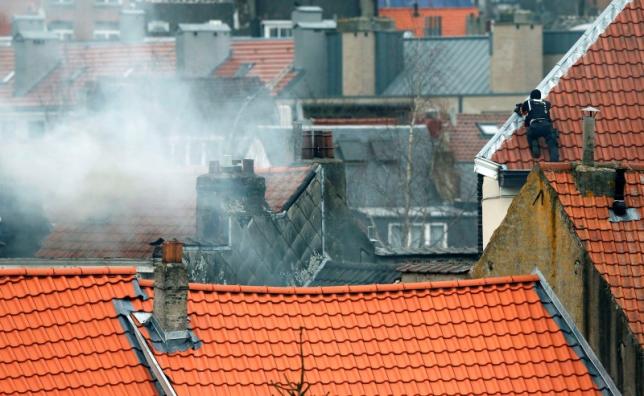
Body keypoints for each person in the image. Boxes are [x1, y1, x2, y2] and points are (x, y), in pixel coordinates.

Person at [515, 89, 559, 161]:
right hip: (546, 126)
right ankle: (554, 161)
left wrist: (519, 108)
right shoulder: (547, 103)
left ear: (531, 97)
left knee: (531, 135)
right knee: (552, 143)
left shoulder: (528, 102)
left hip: (535, 126)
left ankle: (535, 149)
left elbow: (522, 112)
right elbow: (548, 116)